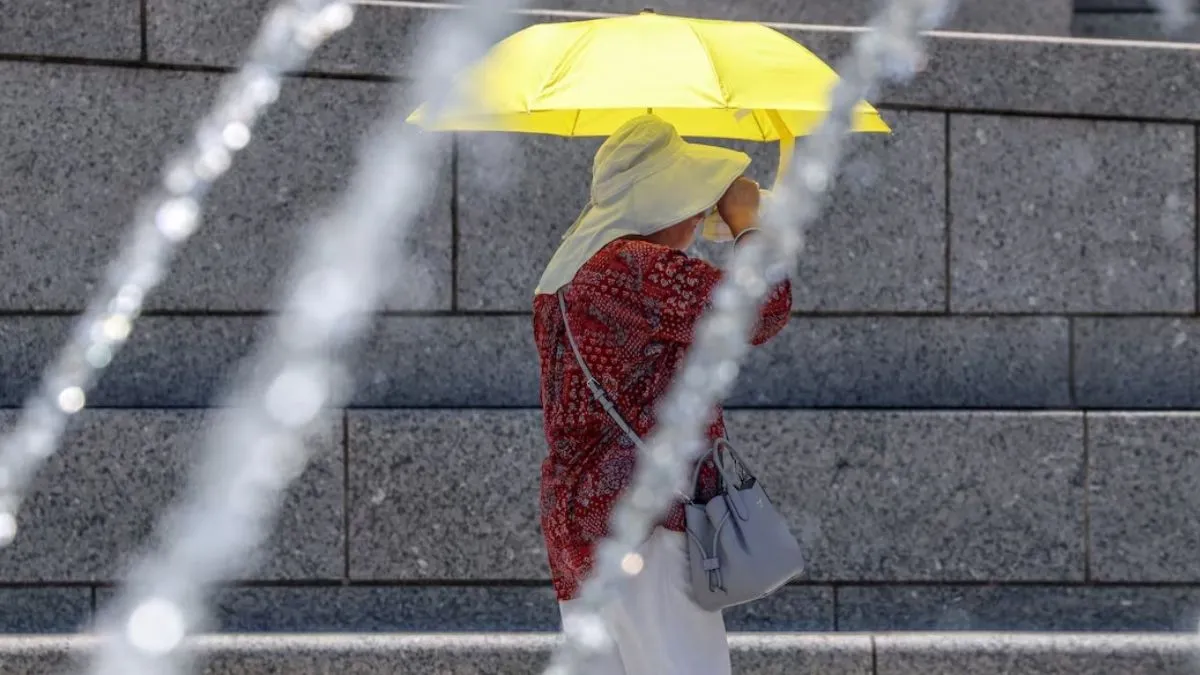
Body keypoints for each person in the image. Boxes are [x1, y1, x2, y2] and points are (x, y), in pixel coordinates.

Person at [531, 114, 793, 674]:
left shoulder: (564, 278)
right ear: (664, 200)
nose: (698, 217)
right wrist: (747, 222)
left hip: (578, 519)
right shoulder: (634, 266)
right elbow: (764, 306)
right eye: (692, 201)